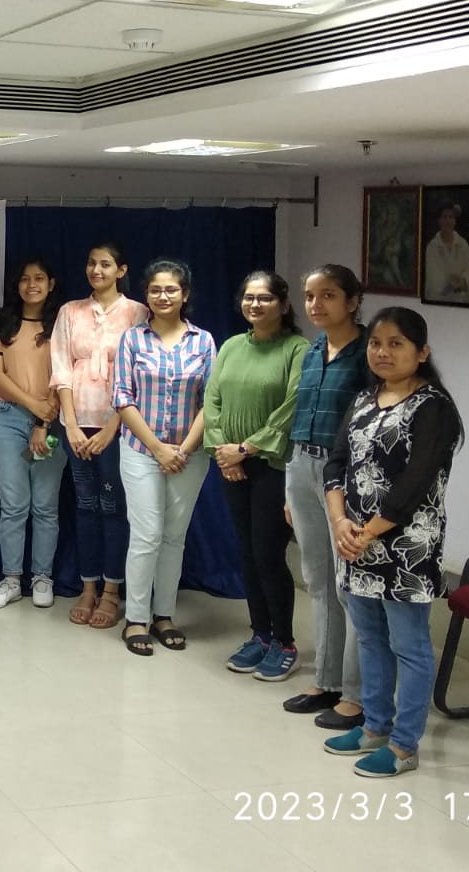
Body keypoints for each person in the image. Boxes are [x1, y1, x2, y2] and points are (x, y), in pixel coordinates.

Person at [322, 307, 463, 778]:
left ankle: (404, 746)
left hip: (406, 549)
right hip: (355, 543)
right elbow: (336, 464)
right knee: (369, 638)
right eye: (376, 343)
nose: (383, 352)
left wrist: (364, 532)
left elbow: (414, 484)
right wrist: (340, 522)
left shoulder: (434, 407)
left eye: (396, 343)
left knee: (409, 646)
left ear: (422, 352)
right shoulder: (365, 398)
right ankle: (374, 727)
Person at [207, 271, 309, 682]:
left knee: (268, 554)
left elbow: (293, 406)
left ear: (284, 304)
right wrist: (224, 452)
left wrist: (247, 449)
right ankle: (260, 636)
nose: (255, 304)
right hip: (232, 466)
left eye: (265, 298)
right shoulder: (232, 346)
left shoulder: (298, 349)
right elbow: (212, 399)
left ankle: (284, 642)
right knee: (248, 554)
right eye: (249, 297)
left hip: (272, 465)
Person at [112, 259, 214, 655]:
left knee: (174, 537)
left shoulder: (203, 341)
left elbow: (211, 401)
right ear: (146, 295)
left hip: (190, 454)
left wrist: (183, 450)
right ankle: (135, 619)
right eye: (155, 289)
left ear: (184, 294)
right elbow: (122, 397)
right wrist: (158, 448)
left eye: (171, 289)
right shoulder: (133, 339)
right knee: (146, 535)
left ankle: (164, 615)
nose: (163, 296)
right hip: (141, 451)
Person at [282, 264, 368, 730]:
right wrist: (290, 489)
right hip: (302, 463)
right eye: (310, 296)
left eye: (328, 295)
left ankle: (357, 694)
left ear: (352, 301)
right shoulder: (313, 349)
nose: (316, 304)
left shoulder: (369, 352)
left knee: (347, 585)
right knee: (317, 580)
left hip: (346, 475)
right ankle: (327, 681)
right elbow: (301, 414)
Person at [50, 241, 148, 629]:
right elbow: (60, 367)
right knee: (85, 506)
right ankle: (87, 587)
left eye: (106, 264)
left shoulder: (138, 313)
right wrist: (71, 425)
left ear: (121, 271)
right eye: (91, 263)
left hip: (119, 427)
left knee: (113, 507)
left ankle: (111, 591)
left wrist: (112, 427)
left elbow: (138, 375)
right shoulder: (70, 311)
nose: (97, 270)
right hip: (77, 425)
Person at [0, 257, 64, 608]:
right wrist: (33, 407)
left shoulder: (61, 324)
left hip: (52, 419)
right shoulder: (4, 322)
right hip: (7, 417)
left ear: (51, 284)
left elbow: (64, 377)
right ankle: (12, 579)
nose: (32, 285)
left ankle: (42, 577)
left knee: (45, 505)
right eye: (25, 279)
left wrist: (43, 422)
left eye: (39, 278)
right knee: (13, 505)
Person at [423, 202, 469, 301]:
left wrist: (463, 280)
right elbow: (433, 275)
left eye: (451, 217)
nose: (448, 220)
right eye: (444, 217)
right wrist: (452, 283)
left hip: (458, 300)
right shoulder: (432, 246)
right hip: (436, 300)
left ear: (455, 221)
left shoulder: (463, 244)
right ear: (439, 220)